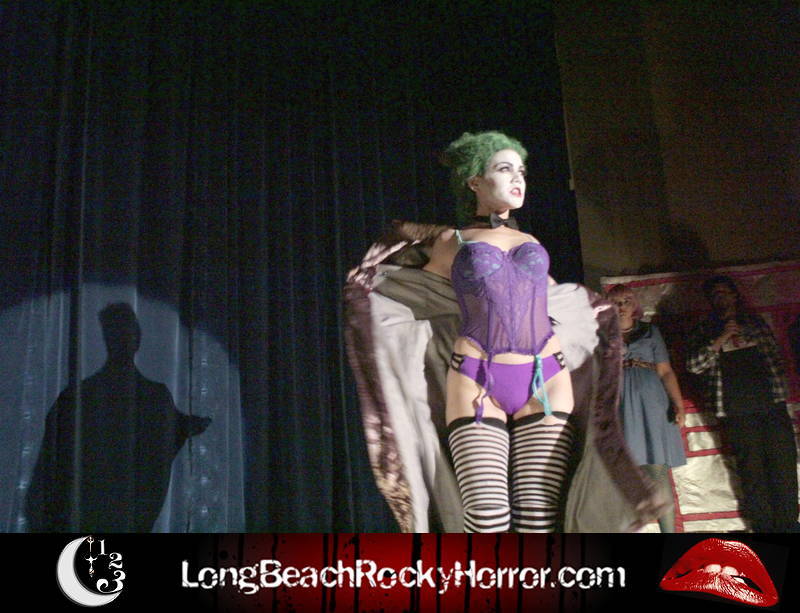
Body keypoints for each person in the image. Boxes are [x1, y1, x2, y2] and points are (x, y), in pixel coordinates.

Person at [344, 131, 662, 533]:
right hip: (476, 376)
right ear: (474, 181)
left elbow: (551, 297)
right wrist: (368, 289)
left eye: (522, 171)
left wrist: (594, 312)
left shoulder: (530, 240)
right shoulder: (451, 241)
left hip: (547, 375)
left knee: (538, 518)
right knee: (486, 517)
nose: (517, 178)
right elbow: (417, 290)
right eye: (504, 168)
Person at [686, 275, 798, 532]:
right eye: (715, 294)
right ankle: (763, 527)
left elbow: (775, 357)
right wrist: (721, 337)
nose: (721, 298)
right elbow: (694, 365)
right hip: (736, 410)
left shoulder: (754, 322)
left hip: (771, 403)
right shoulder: (705, 329)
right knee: (752, 472)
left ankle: (789, 525)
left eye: (725, 293)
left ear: (735, 295)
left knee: (783, 465)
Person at [605, 284, 686, 532]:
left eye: (626, 301)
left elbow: (665, 370)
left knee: (657, 471)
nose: (621, 307)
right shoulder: (600, 334)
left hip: (652, 402)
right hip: (618, 403)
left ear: (635, 305)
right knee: (624, 473)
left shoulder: (650, 331)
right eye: (616, 302)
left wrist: (678, 404)